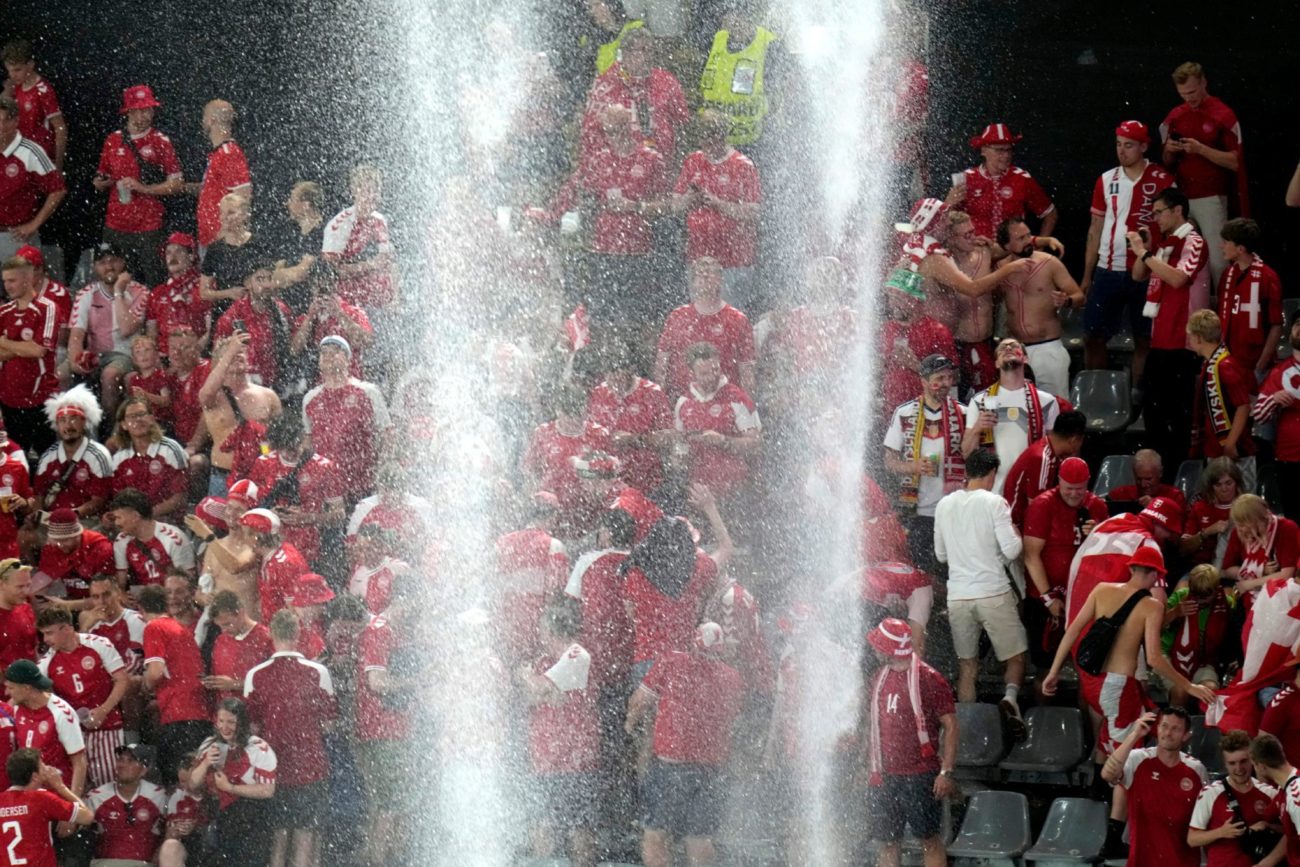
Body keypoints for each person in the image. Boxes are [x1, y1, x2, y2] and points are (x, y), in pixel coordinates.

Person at [1045, 548, 1214, 757]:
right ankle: (1108, 789)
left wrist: (1053, 671)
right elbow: (1154, 658)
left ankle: (1099, 783)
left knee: (1107, 739)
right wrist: (1189, 686)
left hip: (1090, 679)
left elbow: (1072, 630)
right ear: (1155, 574)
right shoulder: (1152, 606)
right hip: (1117, 686)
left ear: (1132, 568)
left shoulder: (1101, 590)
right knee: (1125, 754)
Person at [625, 622, 744, 867]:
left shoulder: (672, 662)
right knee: (699, 838)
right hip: (709, 770)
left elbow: (639, 702)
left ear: (693, 641)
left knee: (655, 834)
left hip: (670, 767)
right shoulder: (732, 678)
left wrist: (628, 726)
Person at [933, 448, 1026, 727]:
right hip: (993, 592)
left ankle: (968, 731)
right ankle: (1010, 699)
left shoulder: (944, 505)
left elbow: (941, 555)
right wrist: (1017, 537)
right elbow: (1011, 550)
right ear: (992, 474)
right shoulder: (994, 503)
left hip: (958, 596)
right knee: (1017, 657)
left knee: (967, 665)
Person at [1081, 120, 1175, 385]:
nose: (1122, 151)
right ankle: (1097, 392)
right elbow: (1094, 229)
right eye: (1119, 145)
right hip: (1108, 269)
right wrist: (1087, 276)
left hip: (1146, 272)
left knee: (1145, 339)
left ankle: (1137, 398)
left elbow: (1174, 227)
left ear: (1144, 146)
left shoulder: (1162, 180)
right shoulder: (1106, 179)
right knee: (1092, 336)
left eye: (1129, 146)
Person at [859, 618, 958, 867]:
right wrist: (866, 764)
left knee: (929, 840)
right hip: (884, 773)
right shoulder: (877, 678)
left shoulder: (929, 678)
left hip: (919, 774)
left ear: (888, 649)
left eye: (877, 644)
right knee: (888, 841)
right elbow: (873, 725)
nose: (873, 649)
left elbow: (952, 725)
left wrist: (946, 771)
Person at [1125, 187, 1212, 464]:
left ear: (1178, 211)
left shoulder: (1194, 241)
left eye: (1159, 212)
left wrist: (1145, 254)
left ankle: (1177, 475)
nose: (1156, 218)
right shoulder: (1165, 244)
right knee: (1154, 415)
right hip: (1160, 339)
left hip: (1183, 343)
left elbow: (1178, 279)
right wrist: (1146, 251)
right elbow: (1138, 275)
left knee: (1178, 416)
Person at [244, 609, 336, 867]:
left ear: (271, 634)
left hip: (274, 771)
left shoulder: (255, 675)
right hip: (312, 767)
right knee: (306, 837)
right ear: (298, 634)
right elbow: (329, 724)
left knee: (279, 837)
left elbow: (251, 729)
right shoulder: (318, 672)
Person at [515, 602, 599, 867]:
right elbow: (531, 698)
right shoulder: (545, 661)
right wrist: (544, 691)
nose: (539, 637)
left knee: (579, 827)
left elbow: (537, 688)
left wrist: (528, 679)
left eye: (542, 631)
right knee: (543, 823)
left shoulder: (577, 654)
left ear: (551, 631)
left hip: (575, 759)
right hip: (545, 759)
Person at [1161, 62, 1246, 283]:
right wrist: (1169, 150)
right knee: (1176, 256)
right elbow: (1166, 162)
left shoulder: (1222, 114)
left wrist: (1201, 149)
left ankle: (1222, 311)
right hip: (1181, 198)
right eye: (1182, 94)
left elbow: (1236, 162)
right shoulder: (1175, 116)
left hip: (1212, 197)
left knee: (1218, 260)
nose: (1188, 98)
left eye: (1192, 92)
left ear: (1204, 82)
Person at [93, 84, 185, 286]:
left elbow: (177, 184)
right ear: (128, 112)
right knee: (112, 282)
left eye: (149, 110)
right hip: (115, 225)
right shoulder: (113, 140)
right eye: (140, 110)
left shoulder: (161, 141)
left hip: (149, 226)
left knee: (154, 283)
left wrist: (143, 188)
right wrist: (101, 182)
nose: (145, 115)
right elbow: (102, 177)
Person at [882, 354, 966, 573]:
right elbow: (889, 462)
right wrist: (913, 467)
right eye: (940, 378)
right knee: (922, 571)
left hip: (954, 510)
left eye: (949, 377)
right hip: (918, 512)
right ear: (924, 381)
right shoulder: (904, 413)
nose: (946, 383)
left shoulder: (964, 413)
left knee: (952, 570)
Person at [671, 110, 762, 310]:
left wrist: (718, 204)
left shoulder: (742, 166)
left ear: (720, 136)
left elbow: (753, 212)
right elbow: (675, 205)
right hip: (699, 260)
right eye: (702, 139)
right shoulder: (693, 161)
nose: (705, 146)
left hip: (733, 260)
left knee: (729, 316)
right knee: (702, 314)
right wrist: (692, 199)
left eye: (709, 138)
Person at [35, 606, 129, 790]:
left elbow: (122, 679)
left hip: (107, 727)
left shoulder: (99, 644)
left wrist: (103, 710)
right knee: (78, 789)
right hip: (73, 735)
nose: (46, 640)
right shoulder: (46, 663)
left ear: (68, 629)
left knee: (108, 787)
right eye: (43, 634)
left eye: (50, 633)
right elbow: (35, 696)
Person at [1101, 708, 1207, 867]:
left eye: (1175, 729)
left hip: (1183, 861)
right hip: (1142, 861)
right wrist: (1134, 735)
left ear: (1186, 735)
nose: (1168, 733)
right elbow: (1108, 775)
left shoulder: (1197, 770)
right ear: (1157, 729)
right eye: (1164, 726)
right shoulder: (1137, 759)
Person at [994, 216, 1085, 399]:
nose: (1028, 241)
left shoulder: (1049, 263)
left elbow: (1079, 297)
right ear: (1006, 246)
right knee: (1018, 409)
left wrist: (1066, 301)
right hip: (1015, 349)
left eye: (1028, 236)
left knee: (1056, 409)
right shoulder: (1000, 269)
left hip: (1047, 347)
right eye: (1020, 238)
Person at [962, 337, 1062, 492]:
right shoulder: (979, 401)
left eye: (1013, 346)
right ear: (996, 363)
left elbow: (1056, 451)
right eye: (1002, 348)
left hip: (1030, 488)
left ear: (1025, 358)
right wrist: (977, 428)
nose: (1008, 348)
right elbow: (967, 453)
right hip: (993, 489)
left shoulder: (1047, 402)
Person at [67, 242, 152, 422]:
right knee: (62, 374)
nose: (109, 267)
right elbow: (76, 336)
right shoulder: (85, 294)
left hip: (125, 354)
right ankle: (67, 430)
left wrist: (118, 292)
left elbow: (127, 328)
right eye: (102, 262)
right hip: (95, 354)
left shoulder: (140, 292)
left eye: (113, 261)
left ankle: (112, 428)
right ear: (95, 267)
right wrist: (76, 361)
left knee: (109, 375)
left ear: (123, 263)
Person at [581, 26, 690, 163]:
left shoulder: (667, 82)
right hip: (620, 171)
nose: (648, 56)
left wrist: (677, 164)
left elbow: (682, 126)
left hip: (661, 168)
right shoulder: (606, 85)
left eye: (651, 51)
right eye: (642, 50)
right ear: (626, 53)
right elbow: (591, 133)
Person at [190, 698, 278, 866]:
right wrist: (206, 762)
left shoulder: (257, 747)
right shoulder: (209, 744)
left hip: (250, 816)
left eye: (231, 722)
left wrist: (230, 788)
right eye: (221, 721)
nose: (224, 727)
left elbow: (268, 790)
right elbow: (192, 785)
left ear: (242, 723)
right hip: (216, 814)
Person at [301, 335, 391, 499]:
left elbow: (387, 435)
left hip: (361, 484)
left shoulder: (368, 392)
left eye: (336, 351)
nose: (328, 355)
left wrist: (380, 472)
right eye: (324, 352)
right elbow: (308, 443)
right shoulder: (310, 399)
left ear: (348, 359)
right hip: (324, 488)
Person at [655, 256, 756, 399]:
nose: (705, 277)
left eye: (710, 272)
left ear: (720, 279)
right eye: (700, 274)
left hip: (726, 405)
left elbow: (746, 371)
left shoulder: (738, 320)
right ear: (693, 283)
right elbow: (661, 366)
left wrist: (747, 409)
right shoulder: (677, 317)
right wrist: (662, 405)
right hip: (683, 404)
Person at [139, 585, 211, 782]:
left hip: (178, 715)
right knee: (195, 782)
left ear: (142, 611)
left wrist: (144, 685)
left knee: (176, 783)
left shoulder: (154, 627)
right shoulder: (181, 628)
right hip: (199, 712)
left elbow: (155, 672)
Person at [673, 340, 762, 500]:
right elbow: (680, 444)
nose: (712, 377)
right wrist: (679, 458)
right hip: (699, 492)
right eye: (705, 373)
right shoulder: (683, 403)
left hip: (735, 489)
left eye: (715, 370)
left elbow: (755, 443)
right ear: (692, 374)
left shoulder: (737, 398)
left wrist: (723, 441)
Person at [198, 332, 282, 496]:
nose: (238, 355)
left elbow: (278, 437)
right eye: (231, 353)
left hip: (259, 476)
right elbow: (205, 395)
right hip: (224, 475)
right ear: (220, 362)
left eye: (241, 352)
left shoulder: (268, 395)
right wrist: (230, 351)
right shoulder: (215, 396)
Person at [587, 340, 673, 496]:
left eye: (619, 377)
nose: (614, 384)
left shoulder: (652, 393)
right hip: (609, 485)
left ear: (631, 370)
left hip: (647, 483)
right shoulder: (598, 394)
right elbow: (589, 436)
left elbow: (668, 438)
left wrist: (634, 439)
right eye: (610, 378)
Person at [1188, 729, 1284, 867]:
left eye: (1243, 761)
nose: (1239, 768)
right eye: (1232, 763)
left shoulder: (1269, 793)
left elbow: (1290, 832)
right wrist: (1221, 832)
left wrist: (1268, 827)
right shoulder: (1211, 793)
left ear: (1252, 759)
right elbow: (1192, 839)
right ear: (1225, 765)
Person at [948, 123, 1057, 240]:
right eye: (999, 150)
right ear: (983, 150)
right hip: (977, 252)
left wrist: (1038, 248)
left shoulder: (1021, 178)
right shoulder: (966, 178)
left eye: (1009, 150)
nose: (1006, 155)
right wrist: (948, 204)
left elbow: (1051, 214)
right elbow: (948, 220)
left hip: (1014, 254)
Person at [0, 254, 61, 455]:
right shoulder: (4, 312)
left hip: (41, 398)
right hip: (9, 398)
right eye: (4, 281)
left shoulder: (47, 308)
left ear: (27, 280)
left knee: (47, 459)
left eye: (12, 280)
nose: (7, 286)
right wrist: (22, 347)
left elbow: (38, 350)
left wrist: (3, 341)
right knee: (16, 459)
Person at [698, 4, 779, 148]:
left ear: (741, 16)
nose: (722, 21)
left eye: (727, 15)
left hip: (756, 143)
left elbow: (779, 98)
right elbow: (703, 85)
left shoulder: (770, 45)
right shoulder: (715, 40)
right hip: (717, 145)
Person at [4, 658, 87, 797]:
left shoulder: (61, 713)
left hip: (56, 796)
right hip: (29, 796)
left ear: (27, 688)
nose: (6, 692)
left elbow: (80, 763)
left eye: (11, 687)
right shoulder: (16, 708)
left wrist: (73, 806)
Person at [1188, 309, 1256, 478]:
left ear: (1198, 337)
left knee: (1243, 502)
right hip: (1216, 448)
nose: (1189, 341)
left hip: (1235, 450)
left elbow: (1243, 406)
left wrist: (1230, 443)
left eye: (1190, 336)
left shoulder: (1225, 366)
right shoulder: (1211, 364)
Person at [1163, 564, 1241, 709]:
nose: (1200, 600)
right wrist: (1175, 613)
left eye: (1205, 596)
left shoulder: (1226, 604)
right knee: (1180, 691)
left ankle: (1206, 729)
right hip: (1169, 656)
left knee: (1210, 690)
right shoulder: (1181, 597)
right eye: (1196, 594)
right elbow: (1156, 627)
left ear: (1217, 589)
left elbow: (1233, 636)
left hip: (1204, 660)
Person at [0, 748, 94, 867]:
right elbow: (87, 816)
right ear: (35, 776)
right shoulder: (42, 799)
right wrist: (60, 787)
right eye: (43, 765)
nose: (47, 769)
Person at [0, 94, 66, 261]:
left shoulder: (30, 151)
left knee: (21, 286)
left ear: (16, 121)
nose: (1, 126)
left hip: (15, 238)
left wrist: (34, 224)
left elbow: (58, 190)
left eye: (5, 120)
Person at [1217, 218, 1283, 378]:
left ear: (1240, 248)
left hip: (1255, 365)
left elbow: (1276, 325)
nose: (1221, 246)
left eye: (1226, 242)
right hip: (1229, 360)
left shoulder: (1268, 277)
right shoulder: (1227, 274)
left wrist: (1261, 365)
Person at [33, 384, 111, 517]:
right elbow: (39, 496)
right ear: (56, 425)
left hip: (87, 521)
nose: (68, 426)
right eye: (62, 420)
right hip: (52, 522)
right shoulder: (48, 456)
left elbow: (99, 500)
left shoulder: (98, 455)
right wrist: (39, 517)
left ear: (84, 422)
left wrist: (69, 517)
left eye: (73, 419)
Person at [1002, 409, 1087, 530]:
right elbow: (1037, 508)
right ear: (1074, 440)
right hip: (1018, 526)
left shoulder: (1050, 451)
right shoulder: (1041, 458)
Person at [85, 742, 168, 866]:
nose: (123, 765)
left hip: (143, 864)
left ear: (144, 770)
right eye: (120, 760)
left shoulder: (158, 796)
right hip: (106, 864)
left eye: (130, 761)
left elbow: (170, 830)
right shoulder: (96, 797)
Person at [109, 396, 188, 522]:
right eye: (132, 417)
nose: (138, 420)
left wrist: (146, 516)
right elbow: (119, 500)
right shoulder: (119, 458)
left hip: (167, 519)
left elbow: (179, 497)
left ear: (151, 419)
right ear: (123, 424)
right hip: (133, 522)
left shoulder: (170, 449)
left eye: (142, 414)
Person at [1256, 310, 1300, 520]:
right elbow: (1259, 415)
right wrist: (1273, 400)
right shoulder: (1280, 371)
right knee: (1293, 519)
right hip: (1288, 459)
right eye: (1297, 323)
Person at [194, 99, 251, 253]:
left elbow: (243, 196)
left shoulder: (228, 153)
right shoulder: (219, 153)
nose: (202, 121)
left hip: (219, 241)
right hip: (211, 238)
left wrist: (225, 234)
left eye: (204, 117)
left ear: (212, 120)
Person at [109, 488, 194, 589]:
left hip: (171, 598)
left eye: (119, 518)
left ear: (135, 516)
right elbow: (121, 584)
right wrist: (121, 595)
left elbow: (188, 583)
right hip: (140, 598)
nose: (116, 523)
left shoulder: (174, 539)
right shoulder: (121, 540)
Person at [1, 40, 66, 169]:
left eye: (17, 70)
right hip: (19, 155)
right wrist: (6, 92)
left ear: (30, 65)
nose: (13, 75)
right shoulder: (15, 86)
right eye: (9, 71)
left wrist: (58, 166)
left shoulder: (43, 90)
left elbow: (60, 128)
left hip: (39, 158)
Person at [1221, 494, 1299, 598]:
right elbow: (1227, 570)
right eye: (1238, 524)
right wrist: (1260, 570)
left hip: (1282, 596)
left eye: (1244, 524)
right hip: (1250, 598)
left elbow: (1287, 575)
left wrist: (1249, 584)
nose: (1241, 529)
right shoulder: (1238, 531)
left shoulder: (1287, 528)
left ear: (1259, 519)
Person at [145, 234, 209, 358]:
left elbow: (209, 331)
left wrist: (192, 354)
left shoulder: (203, 289)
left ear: (191, 256)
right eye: (168, 253)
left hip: (194, 356)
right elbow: (151, 334)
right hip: (164, 357)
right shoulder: (157, 293)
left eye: (178, 251)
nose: (172, 257)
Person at [243, 508, 309, 623]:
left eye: (246, 534)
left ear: (256, 536)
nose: (243, 539)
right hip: (274, 628)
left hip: (286, 632)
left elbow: (295, 610)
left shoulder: (284, 564)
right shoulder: (269, 557)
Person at [269, 181, 326, 314]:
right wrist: (288, 275)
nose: (287, 204)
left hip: (311, 308)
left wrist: (286, 275)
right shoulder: (290, 232)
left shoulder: (323, 232)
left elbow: (301, 273)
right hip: (285, 308)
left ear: (306, 205)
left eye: (292, 199)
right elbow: (275, 277)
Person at [205, 591, 273, 703]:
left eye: (227, 624)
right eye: (220, 626)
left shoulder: (265, 638)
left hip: (255, 714)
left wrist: (235, 684)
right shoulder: (221, 640)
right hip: (226, 715)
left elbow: (273, 681)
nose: (224, 630)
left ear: (241, 613)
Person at [199, 191, 257, 316]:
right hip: (224, 314)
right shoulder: (215, 249)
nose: (224, 218)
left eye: (231, 212)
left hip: (253, 313)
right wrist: (228, 293)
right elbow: (203, 292)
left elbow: (270, 281)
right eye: (222, 213)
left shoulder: (258, 245)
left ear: (245, 215)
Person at [1179, 457, 1242, 569]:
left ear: (1237, 483)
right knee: (1181, 587)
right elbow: (1183, 549)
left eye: (1229, 483)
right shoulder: (1200, 507)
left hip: (1236, 570)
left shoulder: (1249, 506)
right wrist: (1206, 533)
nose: (1224, 489)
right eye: (1218, 485)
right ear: (1210, 487)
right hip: (1201, 570)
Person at [1248, 734, 1300, 865]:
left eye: (1253, 765)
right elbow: (1291, 834)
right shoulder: (1285, 790)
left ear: (1261, 766)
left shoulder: (1296, 794)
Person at [1107, 448, 1189, 512]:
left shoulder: (1175, 497)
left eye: (1148, 479)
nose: (1143, 484)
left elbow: (1178, 526)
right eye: (1139, 479)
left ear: (1160, 473)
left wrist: (1156, 506)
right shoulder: (1119, 495)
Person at [0, 558, 36, 672]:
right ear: (2, 584)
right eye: (20, 587)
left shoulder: (26, 608)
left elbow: (33, 648)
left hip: (29, 684)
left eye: (28, 585)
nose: (26, 592)